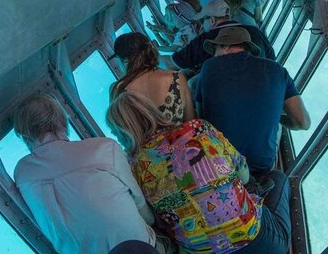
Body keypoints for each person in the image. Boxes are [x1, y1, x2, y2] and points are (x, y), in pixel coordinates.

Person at [106, 93, 292, 254]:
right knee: (278, 178)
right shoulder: (198, 128)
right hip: (260, 243)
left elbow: (152, 218)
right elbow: (243, 176)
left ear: (124, 133)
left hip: (199, 250)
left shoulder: (134, 166)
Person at [12, 93, 161, 253]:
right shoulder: (104, 148)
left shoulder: (22, 173)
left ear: (23, 135)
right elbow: (143, 208)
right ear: (63, 121)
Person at [194, 27, 311, 173]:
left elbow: (200, 116)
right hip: (260, 167)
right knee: (277, 125)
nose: (214, 55)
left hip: (217, 160)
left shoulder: (209, 66)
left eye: (215, 49)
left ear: (225, 46)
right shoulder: (279, 70)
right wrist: (275, 117)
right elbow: (303, 123)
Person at [110, 32, 195, 125]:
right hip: (186, 138)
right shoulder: (176, 78)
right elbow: (191, 122)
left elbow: (123, 133)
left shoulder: (118, 90)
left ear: (125, 60)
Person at [169, 0, 275, 72]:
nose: (201, 24)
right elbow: (271, 59)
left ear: (212, 20)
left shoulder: (206, 39)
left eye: (202, 20)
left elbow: (174, 63)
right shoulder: (255, 31)